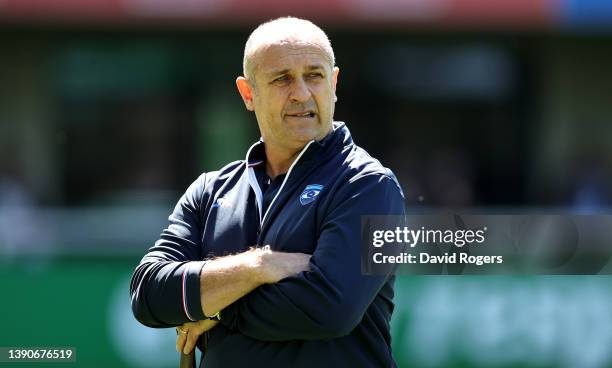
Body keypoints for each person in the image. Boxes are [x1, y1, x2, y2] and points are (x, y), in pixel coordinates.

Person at [130, 16, 406, 368]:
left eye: (314, 76)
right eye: (282, 79)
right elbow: (149, 294)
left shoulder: (369, 185)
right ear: (248, 93)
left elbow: (331, 309)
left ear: (333, 83)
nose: (302, 93)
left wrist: (215, 307)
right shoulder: (209, 191)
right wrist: (258, 265)